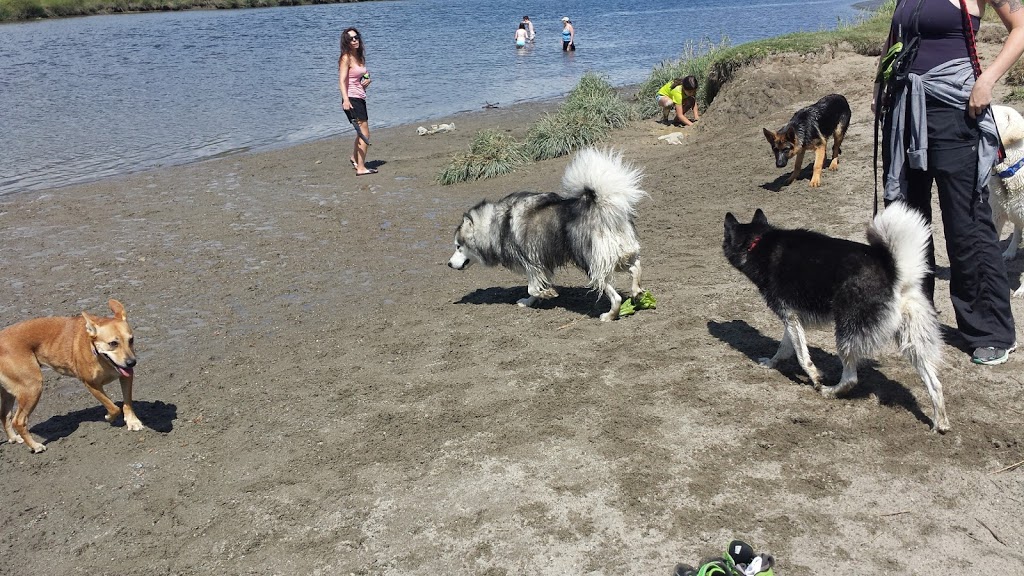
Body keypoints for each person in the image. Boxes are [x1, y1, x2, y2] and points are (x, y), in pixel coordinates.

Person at [876, 0, 1024, 365]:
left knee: (967, 224)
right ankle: (914, 317)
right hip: (906, 110)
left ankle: (990, 331)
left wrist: (986, 81)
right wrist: (880, 84)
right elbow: (896, 35)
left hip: (957, 110)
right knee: (907, 218)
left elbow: (1021, 28)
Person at [338, 27, 376, 176]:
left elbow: (363, 75)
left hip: (360, 97)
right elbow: (341, 81)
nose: (355, 40)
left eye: (356, 37)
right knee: (365, 133)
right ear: (346, 42)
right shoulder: (345, 57)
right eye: (351, 39)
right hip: (352, 99)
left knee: (360, 132)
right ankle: (361, 168)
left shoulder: (359, 57)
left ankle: (355, 158)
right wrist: (346, 100)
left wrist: (367, 80)